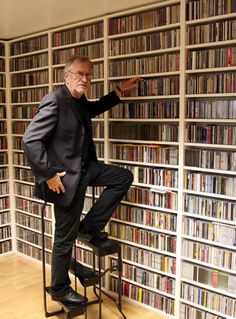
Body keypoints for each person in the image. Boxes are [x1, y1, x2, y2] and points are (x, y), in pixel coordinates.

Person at [22, 55, 140, 305]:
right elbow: (30, 140)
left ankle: (89, 226)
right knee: (64, 240)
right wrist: (49, 174)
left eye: (88, 74)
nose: (85, 79)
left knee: (122, 177)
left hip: (86, 169)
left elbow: (92, 109)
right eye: (80, 74)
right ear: (67, 76)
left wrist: (117, 92)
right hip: (64, 179)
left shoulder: (78, 100)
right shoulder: (55, 100)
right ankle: (59, 288)